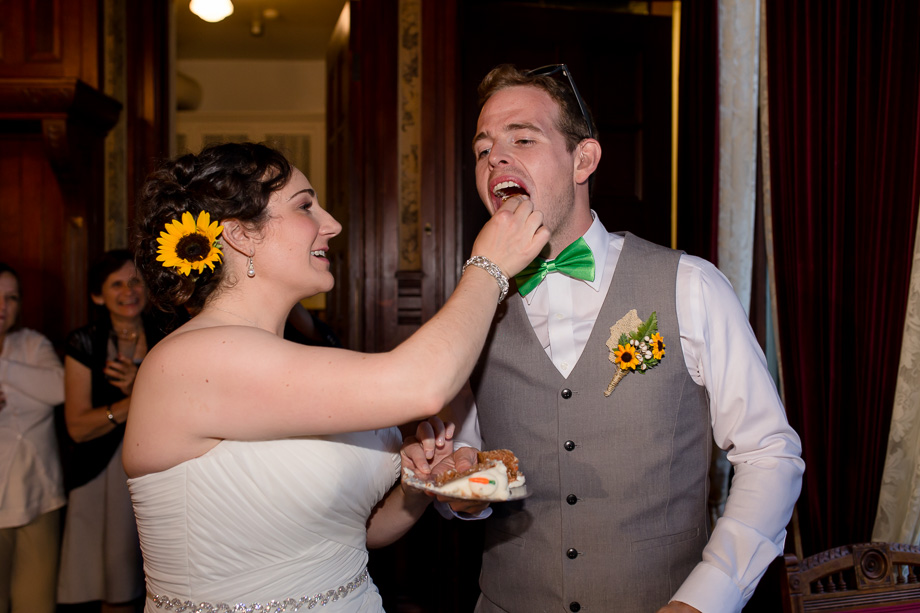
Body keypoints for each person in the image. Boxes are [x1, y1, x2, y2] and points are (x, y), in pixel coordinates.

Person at [422, 63, 805, 613]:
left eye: (522, 139)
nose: (496, 159)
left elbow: (770, 454)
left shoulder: (689, 285)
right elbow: (465, 463)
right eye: (483, 149)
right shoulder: (471, 308)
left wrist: (707, 598)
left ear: (585, 159)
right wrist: (457, 495)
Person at [123, 141, 547, 610]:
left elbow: (355, 536)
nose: (333, 225)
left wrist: (419, 487)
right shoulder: (190, 361)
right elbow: (421, 386)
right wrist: (488, 268)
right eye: (305, 205)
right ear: (241, 234)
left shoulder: (292, 360)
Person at [57, 249, 166, 612]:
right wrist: (135, 399)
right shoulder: (84, 343)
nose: (129, 290)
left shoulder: (169, 337)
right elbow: (77, 427)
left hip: (163, 467)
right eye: (116, 283)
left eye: (135, 280)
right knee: (114, 587)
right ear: (98, 295)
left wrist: (142, 386)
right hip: (101, 474)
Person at [0, 262, 65, 613]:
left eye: (10, 297)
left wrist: (5, 369)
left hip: (39, 496)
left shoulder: (32, 344)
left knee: (36, 604)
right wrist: (23, 386)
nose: (2, 307)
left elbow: (56, 390)